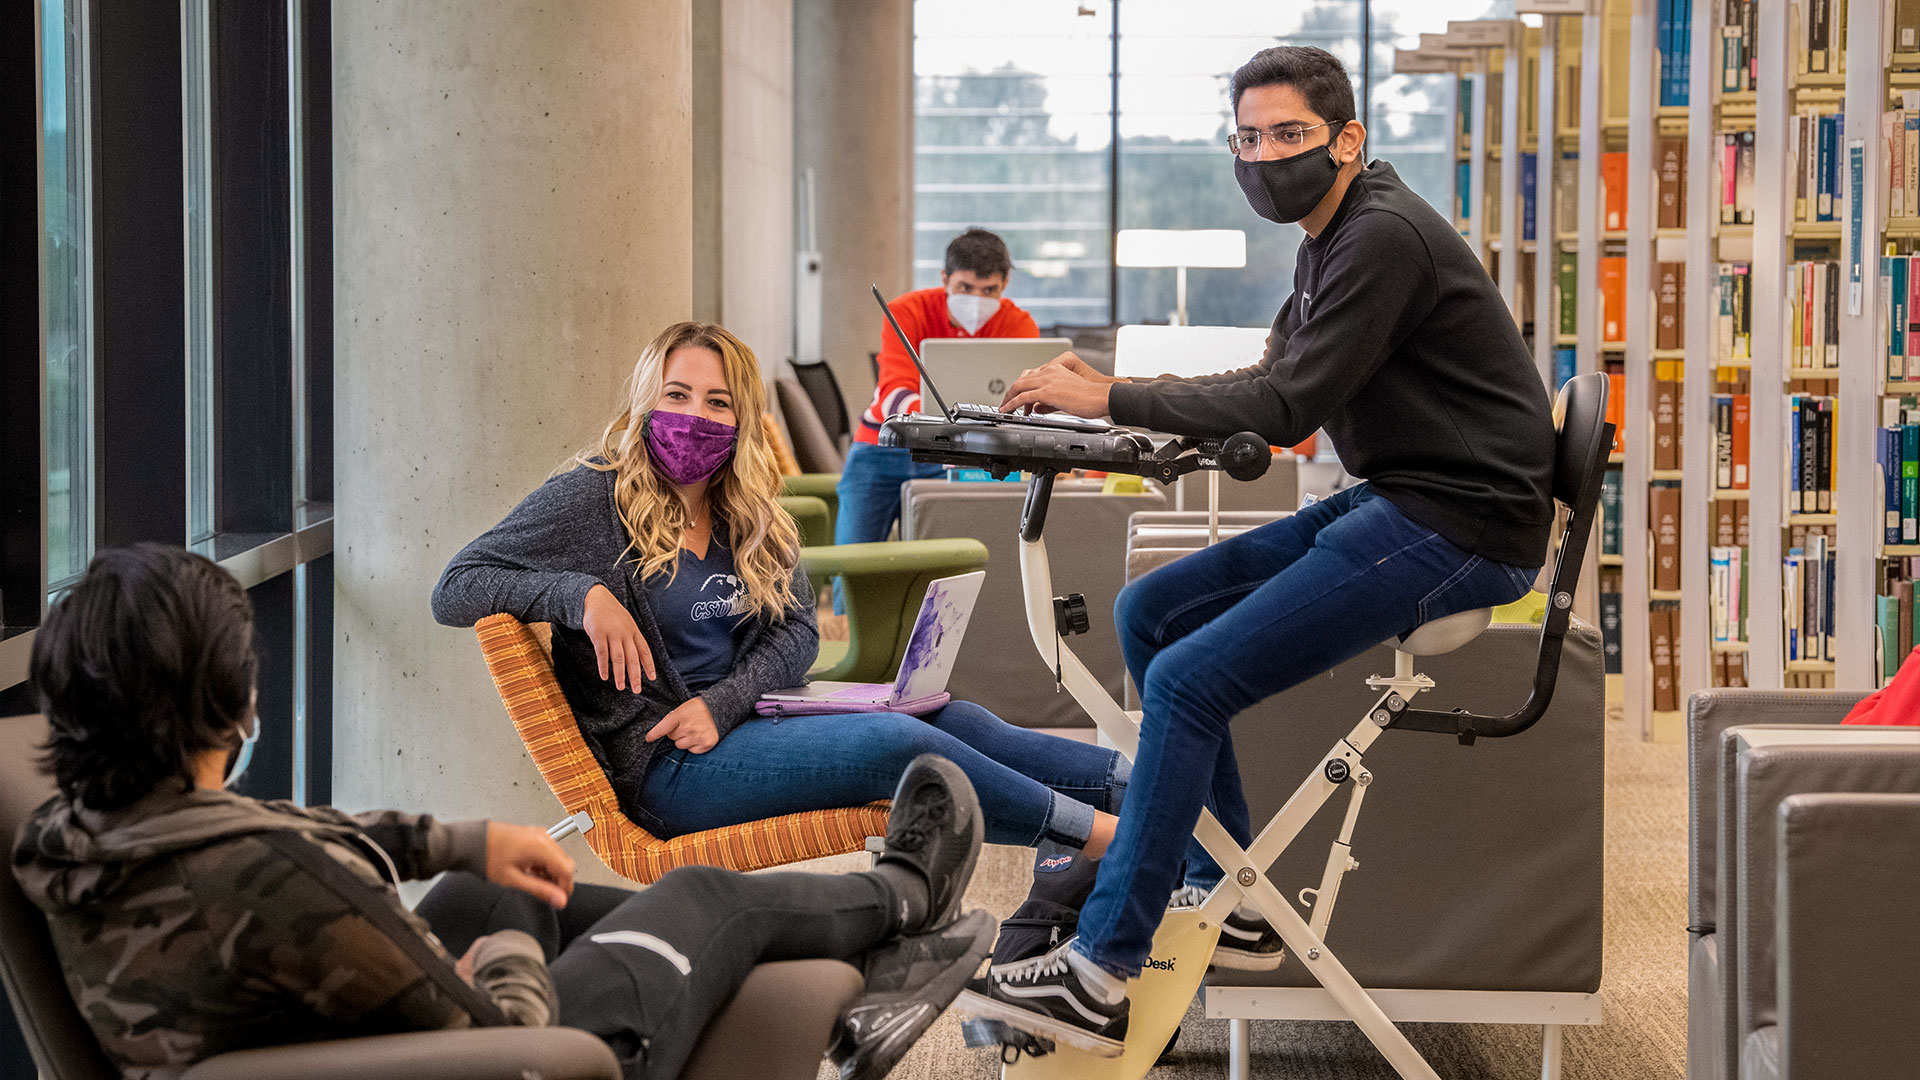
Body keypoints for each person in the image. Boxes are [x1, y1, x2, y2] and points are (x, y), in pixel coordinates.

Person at [963, 45, 1556, 1055]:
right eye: (1247, 139)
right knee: (1150, 611)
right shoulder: (1332, 234)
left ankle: (1102, 973)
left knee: (1189, 680)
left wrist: (1106, 396)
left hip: (1465, 526)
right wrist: (1120, 396)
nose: (1263, 157)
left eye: (1287, 136)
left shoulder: (1383, 237)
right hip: (1406, 498)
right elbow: (1275, 367)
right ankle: (1225, 891)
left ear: (1347, 139)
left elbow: (1287, 406)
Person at [12, 543, 998, 1080]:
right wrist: (512, 967)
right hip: (513, 1058)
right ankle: (903, 896)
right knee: (699, 895)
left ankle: (867, 969)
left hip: (316, 1034)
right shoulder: (274, 883)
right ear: (229, 703)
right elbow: (499, 1021)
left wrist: (460, 843)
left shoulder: (80, 831)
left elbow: (292, 843)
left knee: (499, 885)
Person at [431, 321, 1135, 874]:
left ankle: (1139, 790)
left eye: (716, 403)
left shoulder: (744, 504)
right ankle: (1104, 839)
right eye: (676, 396)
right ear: (646, 399)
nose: (694, 417)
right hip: (669, 768)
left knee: (957, 718)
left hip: (742, 721)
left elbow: (797, 633)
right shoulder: (594, 493)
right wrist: (580, 595)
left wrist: (724, 702)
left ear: (740, 420)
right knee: (900, 744)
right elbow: (455, 586)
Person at [833, 228, 1039, 555]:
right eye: (965, 288)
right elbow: (893, 394)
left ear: (1005, 285)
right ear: (945, 278)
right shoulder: (906, 311)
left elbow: (1024, 403)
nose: (977, 300)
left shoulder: (1019, 325)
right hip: (881, 448)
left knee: (952, 562)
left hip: (963, 454)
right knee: (851, 564)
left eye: (989, 290)